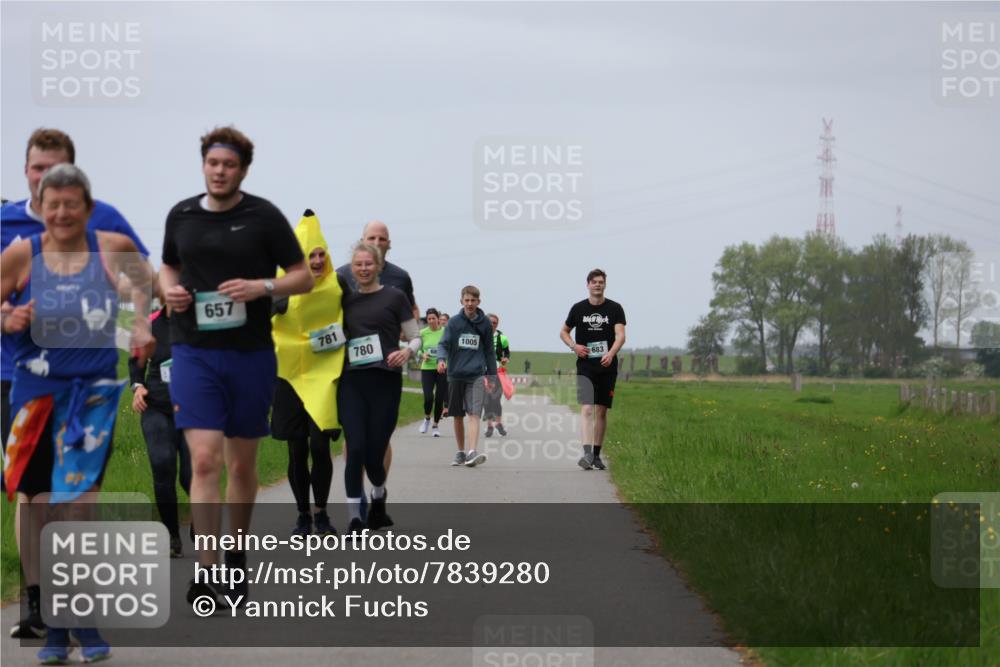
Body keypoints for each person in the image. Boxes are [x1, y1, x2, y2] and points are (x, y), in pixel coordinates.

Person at [1, 163, 151, 662]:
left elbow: (144, 282)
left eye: (72, 203)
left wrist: (144, 323)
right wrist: (8, 315)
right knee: (42, 506)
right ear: (40, 208)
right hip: (35, 397)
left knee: (80, 509)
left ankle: (80, 619)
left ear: (87, 207)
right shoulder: (23, 254)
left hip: (92, 396)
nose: (62, 212)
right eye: (53, 204)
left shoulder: (107, 247)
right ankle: (53, 626)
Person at [159, 126, 314, 606]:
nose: (219, 171)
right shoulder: (181, 215)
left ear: (243, 170)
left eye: (229, 165)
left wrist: (260, 288)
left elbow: (303, 276)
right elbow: (167, 265)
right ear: (203, 164)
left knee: (240, 463)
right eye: (212, 163)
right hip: (192, 351)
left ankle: (235, 556)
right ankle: (206, 573)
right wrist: (169, 290)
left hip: (249, 355)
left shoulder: (263, 216)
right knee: (204, 459)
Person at [1, 128, 148, 466]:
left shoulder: (106, 222)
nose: (46, 177)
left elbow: (141, 281)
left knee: (78, 488)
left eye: (56, 168)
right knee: (35, 490)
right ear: (26, 170)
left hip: (91, 373)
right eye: (39, 168)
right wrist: (7, 317)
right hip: (16, 372)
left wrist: (137, 325)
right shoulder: (6, 225)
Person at [270, 210, 346, 537]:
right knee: (297, 449)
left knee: (319, 447)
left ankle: (322, 511)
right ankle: (303, 514)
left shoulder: (336, 286)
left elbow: (353, 321)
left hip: (323, 377)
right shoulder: (282, 284)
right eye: (309, 255)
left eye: (320, 254)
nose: (316, 261)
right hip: (288, 376)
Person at [338, 243, 421, 532]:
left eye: (368, 264)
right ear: (351, 267)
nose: (363, 269)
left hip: (385, 381)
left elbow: (415, 336)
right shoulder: (344, 300)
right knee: (355, 448)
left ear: (377, 267)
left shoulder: (394, 297)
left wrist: (407, 352)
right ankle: (354, 518)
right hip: (352, 381)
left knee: (375, 454)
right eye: (358, 265)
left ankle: (379, 494)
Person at [129, 279, 191, 558]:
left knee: (192, 475)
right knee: (163, 465)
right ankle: (171, 535)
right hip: (157, 406)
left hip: (194, 410)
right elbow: (135, 363)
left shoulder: (200, 325)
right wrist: (137, 386)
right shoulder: (149, 325)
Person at [560, 269, 626, 471]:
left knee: (601, 411)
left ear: (605, 285)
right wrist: (574, 346)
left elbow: (621, 335)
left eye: (601, 282)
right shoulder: (578, 308)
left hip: (607, 365)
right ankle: (587, 453)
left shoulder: (615, 308)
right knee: (587, 409)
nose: (598, 285)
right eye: (594, 282)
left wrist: (611, 353)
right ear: (587, 284)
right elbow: (563, 331)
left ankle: (596, 454)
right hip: (586, 366)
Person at [437, 286, 496, 467]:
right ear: (461, 301)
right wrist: (441, 359)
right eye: (467, 300)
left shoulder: (485, 323)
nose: (470, 304)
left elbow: (489, 351)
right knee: (457, 415)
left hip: (476, 375)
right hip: (455, 374)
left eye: (473, 300)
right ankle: (461, 452)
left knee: (474, 413)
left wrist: (492, 375)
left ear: (479, 302)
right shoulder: (454, 323)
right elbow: (444, 344)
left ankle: (472, 452)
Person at [417, 308, 447, 437]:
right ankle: (427, 418)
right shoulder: (423, 333)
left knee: (439, 398)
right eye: (429, 319)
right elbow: (417, 349)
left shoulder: (445, 332)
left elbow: (449, 348)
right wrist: (422, 355)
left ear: (438, 318)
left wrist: (445, 361)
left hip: (442, 368)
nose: (431, 321)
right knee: (429, 397)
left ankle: (435, 425)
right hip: (427, 368)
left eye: (433, 318)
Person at [483, 313, 510, 437]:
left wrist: (505, 359)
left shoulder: (502, 338)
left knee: (496, 398)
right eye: (490, 322)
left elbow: (507, 353)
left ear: (497, 324)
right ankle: (489, 426)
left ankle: (498, 423)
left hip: (497, 372)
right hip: (483, 372)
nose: (492, 324)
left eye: (494, 322)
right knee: (487, 400)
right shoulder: (481, 336)